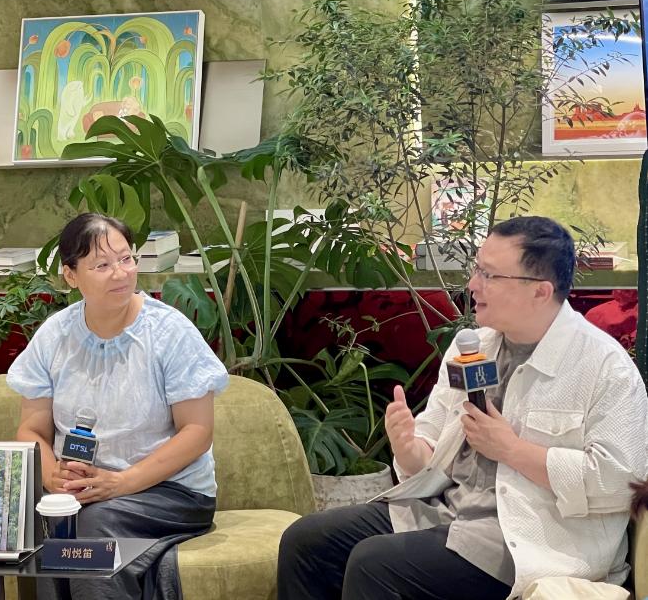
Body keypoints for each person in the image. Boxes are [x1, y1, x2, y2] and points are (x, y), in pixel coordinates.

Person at [277, 216, 648, 599]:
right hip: (447, 511)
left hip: (530, 537)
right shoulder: (472, 348)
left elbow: (621, 484)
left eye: (489, 275)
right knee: (306, 542)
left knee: (376, 564)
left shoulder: (604, 367)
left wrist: (514, 450)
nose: (472, 285)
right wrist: (408, 448)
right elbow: (428, 450)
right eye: (476, 269)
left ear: (540, 291)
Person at [7, 213, 229, 600]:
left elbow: (198, 432)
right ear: (71, 275)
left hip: (169, 492)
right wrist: (54, 477)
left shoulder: (169, 332)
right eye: (102, 265)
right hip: (84, 491)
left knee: (94, 523)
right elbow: (31, 431)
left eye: (126, 259)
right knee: (52, 519)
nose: (121, 273)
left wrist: (121, 483)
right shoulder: (55, 336)